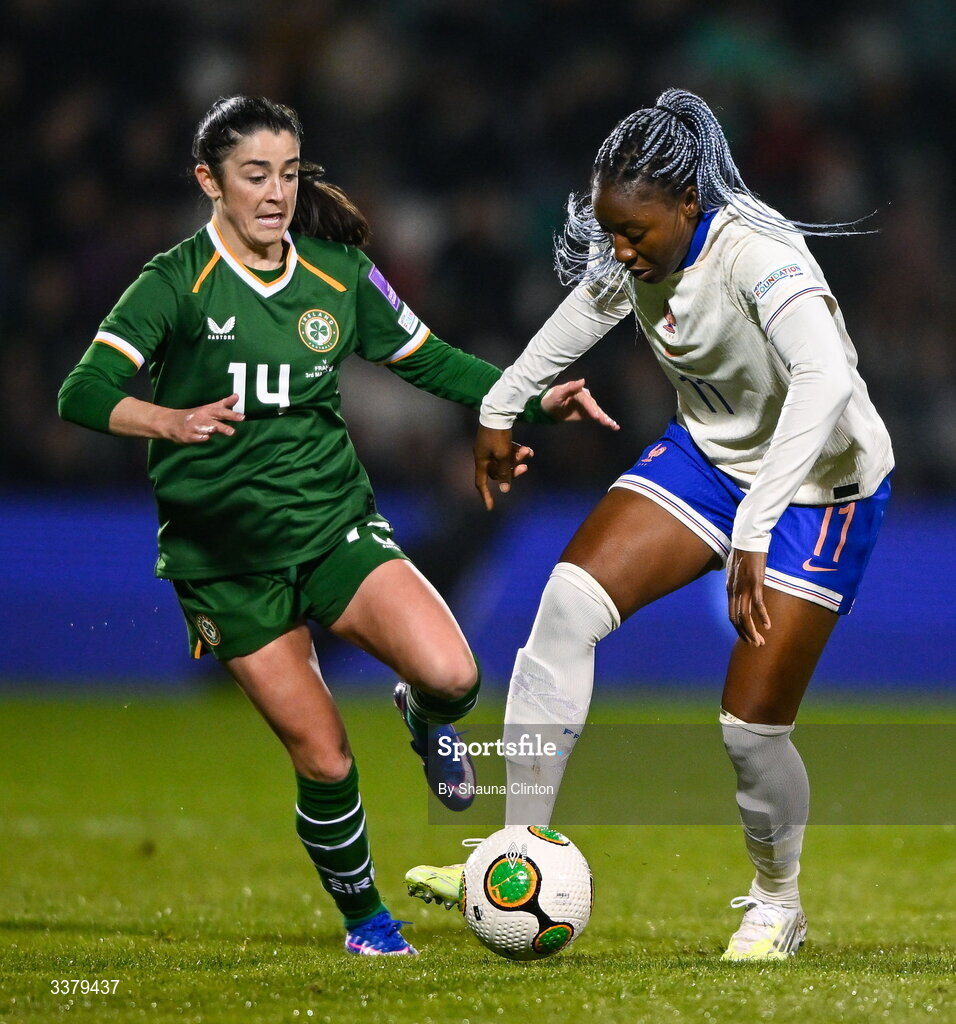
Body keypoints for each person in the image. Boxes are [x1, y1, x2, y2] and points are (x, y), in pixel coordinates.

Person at [57, 95, 618, 956]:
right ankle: (367, 922)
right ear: (210, 182)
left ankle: (425, 720)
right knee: (323, 759)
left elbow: (429, 358)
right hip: (226, 564)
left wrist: (530, 401)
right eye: (254, 175)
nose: (275, 192)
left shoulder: (338, 276)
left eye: (286, 172)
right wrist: (166, 421)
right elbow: (83, 392)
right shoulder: (173, 283)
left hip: (333, 528)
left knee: (455, 675)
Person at [404, 88, 894, 961]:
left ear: (687, 205)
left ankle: (777, 904)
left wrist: (754, 525)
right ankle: (513, 854)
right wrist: (501, 402)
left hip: (823, 482)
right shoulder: (631, 250)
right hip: (710, 461)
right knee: (565, 606)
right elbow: (581, 314)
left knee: (750, 731)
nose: (620, 250)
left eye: (634, 232)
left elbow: (822, 382)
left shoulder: (758, 254)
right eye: (609, 231)